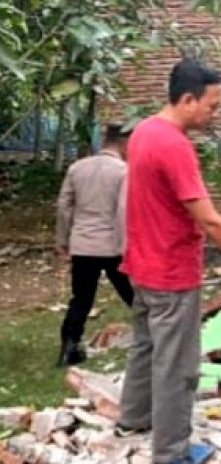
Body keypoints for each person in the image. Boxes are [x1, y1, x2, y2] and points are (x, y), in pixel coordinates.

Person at [115, 58, 221, 464]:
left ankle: (133, 419)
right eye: (211, 105)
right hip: (171, 271)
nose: (215, 113)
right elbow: (209, 219)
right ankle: (171, 452)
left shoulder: (143, 132)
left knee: (145, 347)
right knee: (177, 363)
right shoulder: (174, 145)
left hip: (142, 264)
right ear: (187, 99)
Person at [55, 124, 134, 367]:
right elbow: (122, 211)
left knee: (81, 298)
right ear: (124, 143)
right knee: (134, 296)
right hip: (112, 245)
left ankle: (69, 348)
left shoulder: (77, 168)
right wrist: (125, 246)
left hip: (83, 245)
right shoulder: (124, 171)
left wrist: (63, 240)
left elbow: (64, 207)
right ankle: (156, 340)